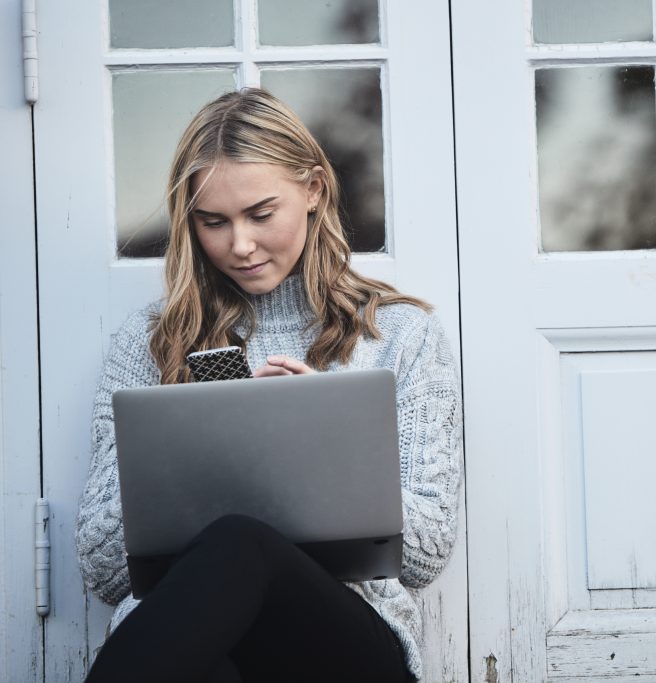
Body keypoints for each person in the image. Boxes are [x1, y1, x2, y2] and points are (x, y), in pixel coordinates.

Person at [74, 88, 462, 682]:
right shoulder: (149, 342)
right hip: (192, 647)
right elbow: (105, 571)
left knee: (240, 543)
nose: (241, 245)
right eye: (214, 222)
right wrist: (199, 442)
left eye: (260, 214)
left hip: (344, 644)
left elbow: (425, 553)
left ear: (313, 191)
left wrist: (327, 445)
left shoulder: (401, 335)